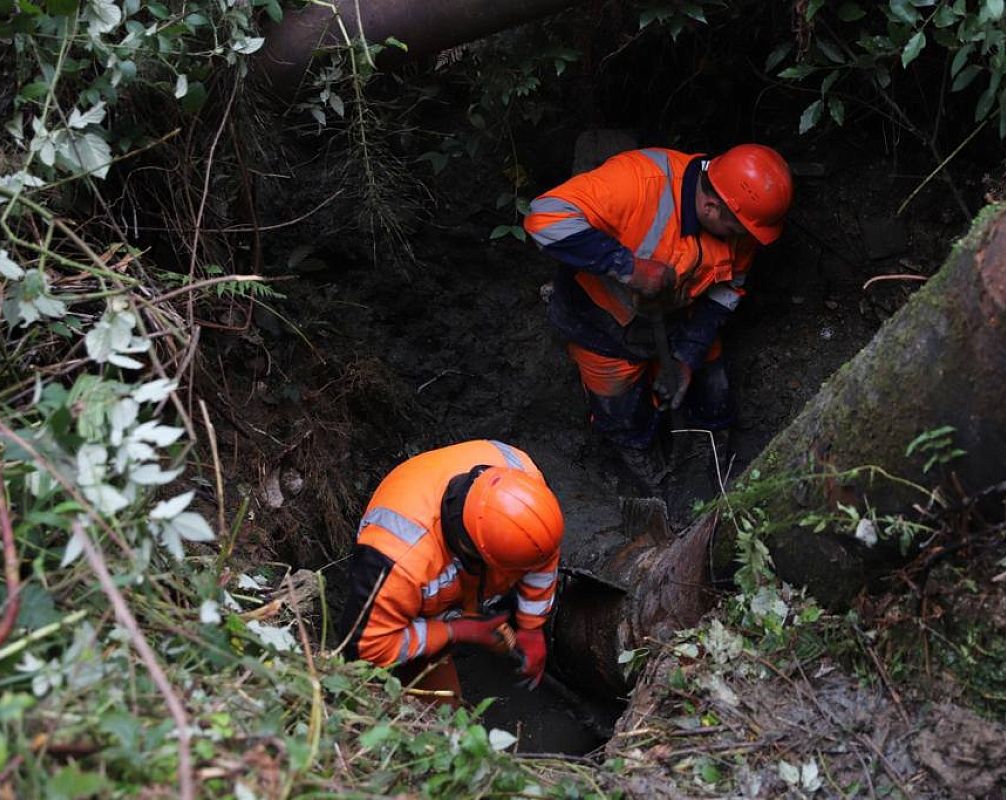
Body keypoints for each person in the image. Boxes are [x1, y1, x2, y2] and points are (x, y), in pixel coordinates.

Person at [524, 144, 793, 488]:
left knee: (713, 394)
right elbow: (543, 217)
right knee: (621, 413)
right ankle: (650, 470)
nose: (744, 240)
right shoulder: (637, 183)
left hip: (680, 320)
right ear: (712, 206)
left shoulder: (739, 220)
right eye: (740, 231)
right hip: (599, 323)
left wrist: (686, 357)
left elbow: (728, 291)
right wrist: (629, 267)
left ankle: (710, 460)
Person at [337, 440, 564, 703]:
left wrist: (532, 628)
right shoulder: (397, 561)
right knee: (442, 716)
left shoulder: (527, 484)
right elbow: (366, 647)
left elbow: (542, 560)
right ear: (477, 554)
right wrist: (458, 630)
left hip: (463, 567)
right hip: (403, 595)